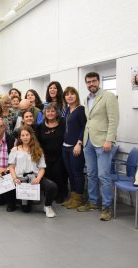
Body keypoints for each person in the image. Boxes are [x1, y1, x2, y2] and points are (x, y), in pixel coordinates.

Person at [77, 72, 119, 221]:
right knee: (91, 174)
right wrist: (82, 140)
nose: (91, 84)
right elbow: (89, 121)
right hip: (88, 141)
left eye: (93, 81)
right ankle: (93, 202)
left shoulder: (108, 96)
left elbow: (113, 120)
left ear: (99, 81)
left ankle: (106, 207)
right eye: (88, 82)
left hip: (103, 142)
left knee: (103, 175)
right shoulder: (87, 98)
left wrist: (109, 140)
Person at [9, 125, 58, 217]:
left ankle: (47, 206)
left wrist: (38, 178)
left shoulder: (38, 150)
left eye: (27, 135)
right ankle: (19, 201)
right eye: (22, 135)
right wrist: (15, 178)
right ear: (19, 137)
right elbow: (11, 167)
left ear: (31, 135)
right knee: (26, 209)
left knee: (52, 186)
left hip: (34, 179)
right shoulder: (15, 149)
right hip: (20, 180)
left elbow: (42, 168)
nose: (25, 137)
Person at [37, 103, 68, 203]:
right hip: (46, 156)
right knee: (49, 175)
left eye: (53, 111)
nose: (50, 113)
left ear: (57, 113)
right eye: (48, 111)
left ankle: (61, 194)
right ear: (45, 113)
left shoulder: (63, 123)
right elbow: (38, 141)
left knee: (59, 174)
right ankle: (52, 193)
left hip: (60, 155)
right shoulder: (41, 126)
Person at [62, 87, 86, 209]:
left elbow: (84, 128)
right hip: (65, 147)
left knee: (77, 173)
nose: (69, 96)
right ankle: (73, 197)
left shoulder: (80, 110)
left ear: (76, 95)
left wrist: (79, 143)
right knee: (70, 173)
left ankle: (79, 198)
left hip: (75, 147)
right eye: (67, 95)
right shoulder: (67, 110)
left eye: (72, 94)